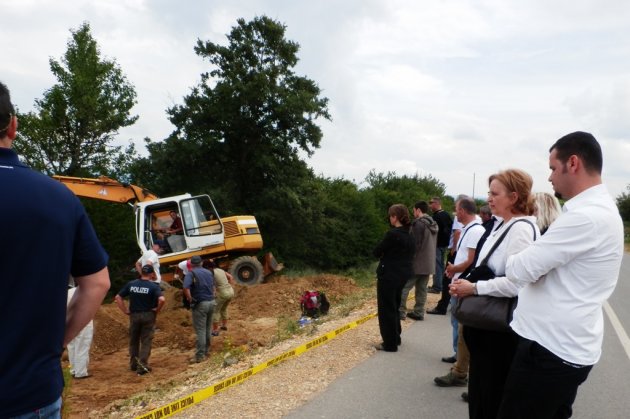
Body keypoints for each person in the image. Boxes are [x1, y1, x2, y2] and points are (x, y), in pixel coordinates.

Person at [0, 81, 110, 418]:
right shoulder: (60, 198)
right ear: (13, 125)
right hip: (30, 393)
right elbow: (98, 284)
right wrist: (57, 342)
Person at [497, 132, 624, 418]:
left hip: (548, 350)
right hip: (562, 346)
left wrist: (524, 255)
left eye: (554, 168)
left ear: (574, 163)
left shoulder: (585, 217)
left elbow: (519, 269)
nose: (551, 177)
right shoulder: (598, 210)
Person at [449, 169, 540, 418]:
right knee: (480, 394)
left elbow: (517, 283)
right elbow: (482, 265)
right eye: (489, 192)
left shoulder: (520, 229)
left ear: (513, 196)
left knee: (491, 396)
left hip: (498, 333)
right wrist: (465, 282)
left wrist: (474, 287)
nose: (488, 198)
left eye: (494, 193)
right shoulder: (503, 225)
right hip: (487, 327)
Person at [432, 196, 484, 386]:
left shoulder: (475, 230)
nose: (455, 213)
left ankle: (461, 366)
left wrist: (454, 269)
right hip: (459, 280)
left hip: (464, 282)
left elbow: (471, 260)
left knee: (461, 325)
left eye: (456, 209)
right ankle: (458, 358)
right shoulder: (470, 229)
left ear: (462, 210)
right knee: (457, 323)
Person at [373, 204, 415, 352]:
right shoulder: (410, 234)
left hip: (389, 274)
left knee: (386, 309)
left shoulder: (393, 234)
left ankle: (389, 343)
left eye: (390, 215)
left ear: (395, 217)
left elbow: (377, 251)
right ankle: (396, 337)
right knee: (395, 305)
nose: (389, 218)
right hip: (403, 274)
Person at [115, 265, 165, 375]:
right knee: (146, 341)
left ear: (141, 273)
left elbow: (118, 297)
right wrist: (157, 309)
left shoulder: (131, 284)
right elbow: (161, 299)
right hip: (148, 315)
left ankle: (133, 364)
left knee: (134, 341)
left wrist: (125, 310)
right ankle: (142, 366)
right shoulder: (153, 286)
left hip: (134, 315)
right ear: (151, 274)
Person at [400, 201, 438, 321]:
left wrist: (407, 259)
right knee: (422, 289)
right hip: (429, 263)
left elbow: (414, 245)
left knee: (404, 287)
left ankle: (400, 311)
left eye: (414, 210)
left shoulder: (419, 224)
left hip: (417, 263)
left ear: (418, 210)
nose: (413, 212)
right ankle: (419, 312)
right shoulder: (433, 223)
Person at [183, 255, 217, 363]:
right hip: (211, 302)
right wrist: (212, 295)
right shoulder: (208, 272)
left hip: (200, 304)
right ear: (201, 263)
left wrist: (190, 299)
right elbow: (214, 287)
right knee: (207, 329)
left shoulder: (191, 273)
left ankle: (200, 355)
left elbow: (186, 287)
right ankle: (206, 351)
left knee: (201, 330)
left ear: (192, 264)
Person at [67, 283, 94, 379]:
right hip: (83, 322)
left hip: (69, 322)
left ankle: (73, 370)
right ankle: (81, 372)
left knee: (72, 347)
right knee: (82, 347)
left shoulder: (67, 293)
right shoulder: (86, 292)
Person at [428, 197, 453, 294]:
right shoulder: (446, 214)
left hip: (437, 244)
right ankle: (440, 285)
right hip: (444, 244)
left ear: (437, 203)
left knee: (437, 265)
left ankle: (437, 287)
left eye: (431, 203)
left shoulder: (437, 217)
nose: (430, 205)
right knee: (441, 265)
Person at [205, 260, 236, 336]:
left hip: (223, 293)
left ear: (208, 267)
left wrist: (213, 294)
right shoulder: (221, 270)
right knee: (223, 309)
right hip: (231, 291)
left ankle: (215, 330)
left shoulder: (210, 273)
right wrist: (230, 286)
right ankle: (224, 326)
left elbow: (212, 285)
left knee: (215, 311)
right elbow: (231, 277)